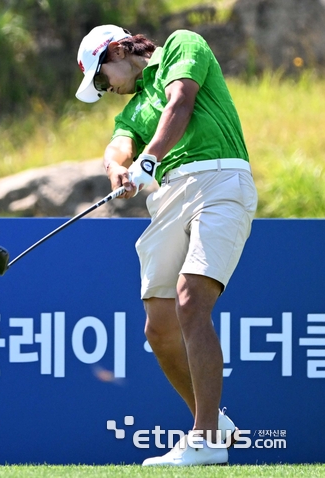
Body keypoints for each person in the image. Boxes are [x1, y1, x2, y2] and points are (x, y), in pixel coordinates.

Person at [75, 25, 258, 466]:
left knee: (191, 301)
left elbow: (181, 100)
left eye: (103, 80)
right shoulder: (134, 109)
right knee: (158, 326)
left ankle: (205, 439)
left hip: (219, 180)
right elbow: (118, 146)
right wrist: (117, 168)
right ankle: (213, 419)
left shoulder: (181, 44)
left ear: (118, 50)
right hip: (168, 198)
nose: (106, 90)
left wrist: (149, 158)